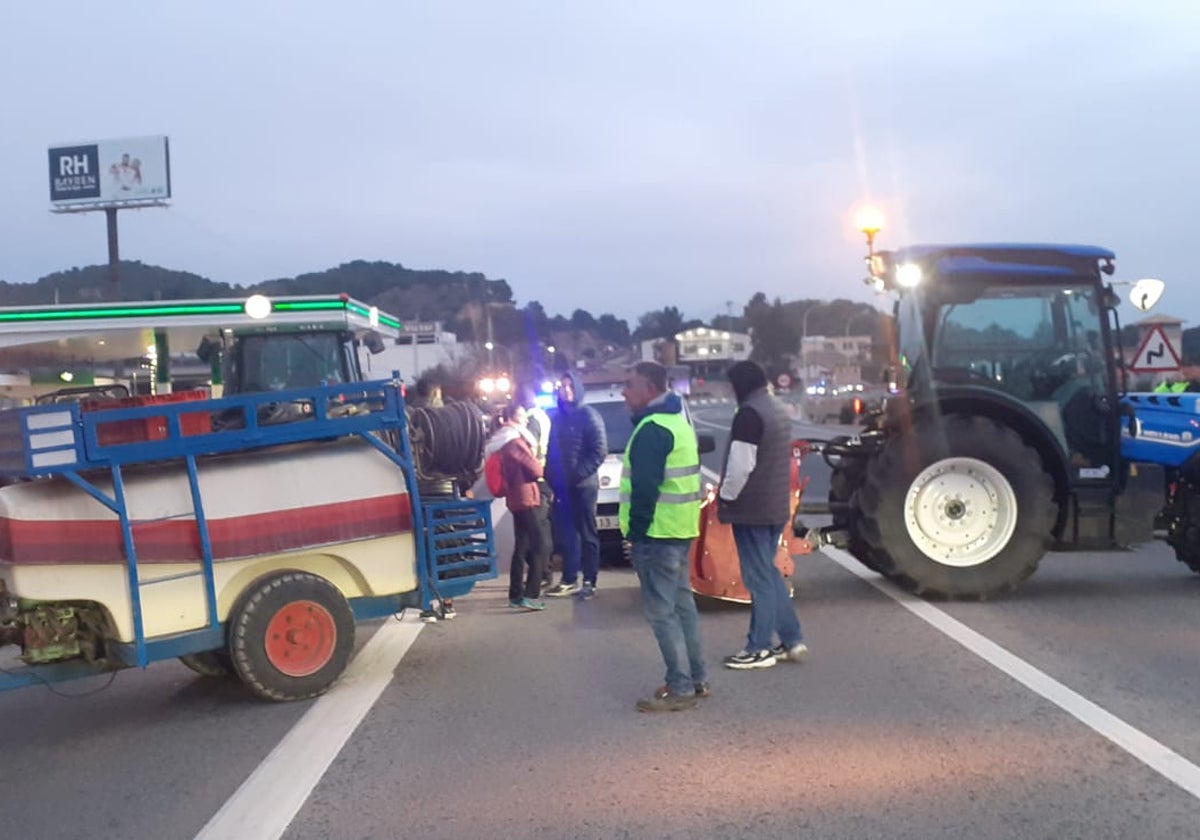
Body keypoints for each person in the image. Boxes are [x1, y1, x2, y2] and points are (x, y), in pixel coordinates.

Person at [620, 361, 707, 712]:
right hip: (680, 528)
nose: (624, 391)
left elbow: (644, 489)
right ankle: (696, 678)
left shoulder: (652, 429)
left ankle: (681, 686)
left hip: (656, 534)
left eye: (630, 385)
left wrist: (635, 535)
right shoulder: (678, 421)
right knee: (683, 607)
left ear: (650, 389)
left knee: (661, 613)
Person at [718, 360, 807, 670]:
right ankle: (792, 639)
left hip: (752, 507)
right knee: (768, 574)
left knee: (757, 579)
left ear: (740, 385)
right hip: (773, 506)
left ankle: (759, 647)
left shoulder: (749, 414)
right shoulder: (777, 408)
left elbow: (741, 464)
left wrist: (725, 498)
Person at [544, 371, 606, 599]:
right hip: (562, 488)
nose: (566, 390)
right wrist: (551, 476)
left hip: (584, 486)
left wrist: (578, 475)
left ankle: (590, 580)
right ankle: (569, 579)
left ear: (578, 389)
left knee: (588, 533)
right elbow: (549, 451)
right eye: (562, 386)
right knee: (567, 534)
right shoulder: (555, 418)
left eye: (570, 386)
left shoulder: (589, 415)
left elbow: (599, 451)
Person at [484, 404, 547, 611]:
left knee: (521, 545)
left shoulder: (505, 439)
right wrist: (540, 466)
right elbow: (535, 468)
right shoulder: (514, 441)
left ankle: (515, 595)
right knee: (539, 544)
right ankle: (530, 593)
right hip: (524, 497)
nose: (526, 419)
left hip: (518, 497)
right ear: (512, 418)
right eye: (521, 415)